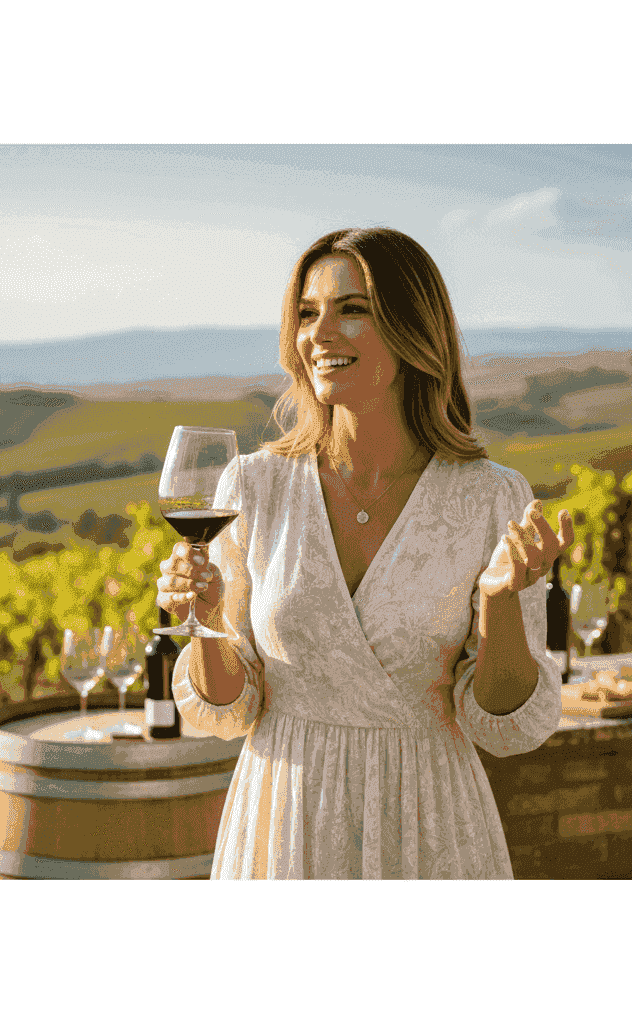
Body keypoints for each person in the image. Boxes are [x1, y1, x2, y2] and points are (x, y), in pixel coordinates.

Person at [156, 227, 574, 879]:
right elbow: (230, 708)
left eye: (352, 309)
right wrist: (204, 620)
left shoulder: (491, 496)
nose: (320, 334)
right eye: (307, 313)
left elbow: (501, 722)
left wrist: (499, 601)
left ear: (414, 330)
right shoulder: (252, 487)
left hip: (429, 822)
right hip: (282, 822)